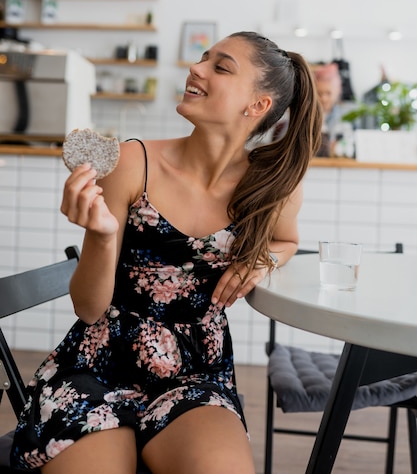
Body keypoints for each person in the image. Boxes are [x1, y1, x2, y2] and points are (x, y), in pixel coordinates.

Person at [11, 31, 322, 474]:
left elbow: (286, 240)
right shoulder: (131, 163)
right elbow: (88, 306)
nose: (195, 69)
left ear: (257, 106)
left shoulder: (272, 188)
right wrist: (100, 235)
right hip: (99, 365)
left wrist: (262, 258)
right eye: (203, 58)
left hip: (197, 372)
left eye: (221, 66)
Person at [312, 62, 344, 157]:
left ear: (337, 92)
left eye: (328, 93)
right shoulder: (306, 115)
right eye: (320, 93)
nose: (324, 98)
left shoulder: (345, 118)